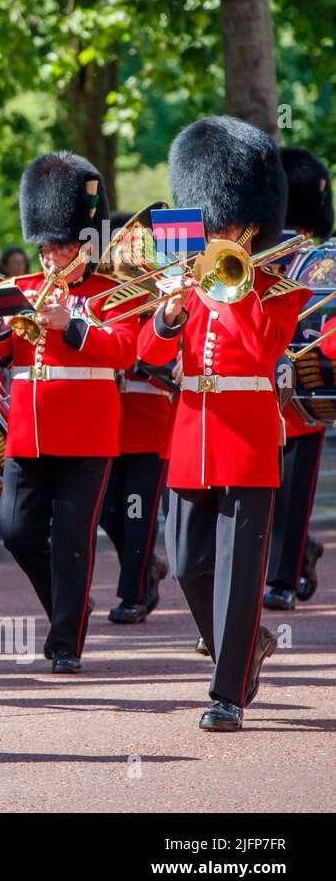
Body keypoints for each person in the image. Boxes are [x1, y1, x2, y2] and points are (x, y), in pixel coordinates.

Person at [137, 116, 308, 732]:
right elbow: (150, 355)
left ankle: (227, 693)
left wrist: (223, 292)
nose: (214, 231)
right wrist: (168, 312)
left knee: (240, 573)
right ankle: (246, 642)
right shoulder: (181, 274)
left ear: (250, 223)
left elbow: (262, 352)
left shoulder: (277, 285)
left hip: (247, 434)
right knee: (187, 565)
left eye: (224, 222)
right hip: (190, 433)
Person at [0, 151, 140, 674]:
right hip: (28, 434)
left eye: (62, 247)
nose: (51, 258)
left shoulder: (110, 293)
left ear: (85, 244)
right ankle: (69, 606)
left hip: (87, 436)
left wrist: (68, 324)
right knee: (16, 531)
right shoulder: (18, 290)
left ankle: (67, 640)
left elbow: (124, 351)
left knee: (73, 542)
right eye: (46, 247)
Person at [263, 148, 333, 610]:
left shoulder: (321, 261)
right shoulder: (259, 255)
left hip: (300, 393)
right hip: (253, 389)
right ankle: (297, 549)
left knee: (292, 493)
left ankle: (282, 581)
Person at [100, 210, 174, 625]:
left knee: (136, 512)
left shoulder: (166, 309)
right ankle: (147, 568)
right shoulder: (119, 307)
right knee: (109, 510)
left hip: (150, 421)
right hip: (114, 421)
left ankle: (133, 595)